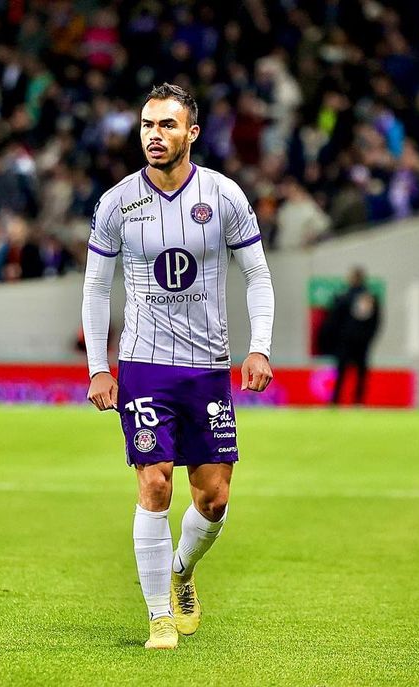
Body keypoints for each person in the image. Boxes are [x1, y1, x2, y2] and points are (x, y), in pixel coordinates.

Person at [82, 84, 275, 650]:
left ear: (191, 133)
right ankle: (158, 617)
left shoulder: (224, 195)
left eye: (166, 125)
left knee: (213, 499)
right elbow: (96, 288)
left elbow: (257, 275)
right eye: (147, 124)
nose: (154, 135)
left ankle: (182, 571)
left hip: (207, 366)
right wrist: (98, 366)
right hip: (144, 365)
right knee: (155, 483)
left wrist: (259, 347)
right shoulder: (117, 202)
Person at [329, 267, 383, 405]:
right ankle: (358, 402)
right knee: (361, 373)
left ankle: (336, 401)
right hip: (362, 343)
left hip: (345, 342)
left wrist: (337, 339)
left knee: (341, 372)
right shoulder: (370, 298)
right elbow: (376, 322)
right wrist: (368, 338)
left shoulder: (344, 298)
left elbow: (334, 321)